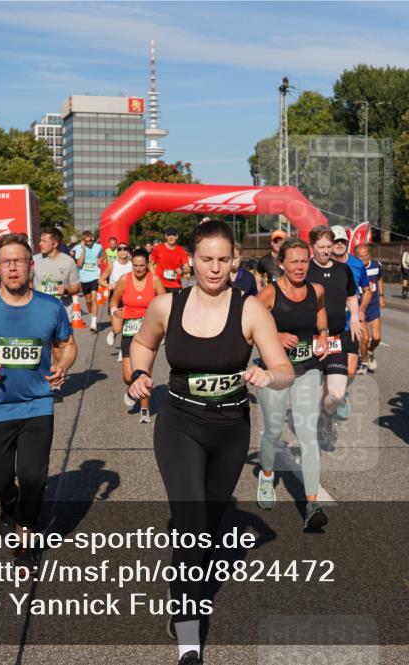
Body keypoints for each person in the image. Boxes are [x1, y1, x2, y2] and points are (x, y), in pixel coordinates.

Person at [127, 220, 293, 665]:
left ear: (235, 260)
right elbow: (142, 344)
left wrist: (267, 374)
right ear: (191, 260)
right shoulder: (166, 305)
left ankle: (186, 583)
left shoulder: (251, 309)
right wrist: (139, 374)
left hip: (230, 429)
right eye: (206, 259)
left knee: (210, 532)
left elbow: (284, 369)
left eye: (223, 259)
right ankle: (187, 632)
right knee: (191, 525)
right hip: (179, 423)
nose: (215, 268)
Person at [0, 233, 76, 568]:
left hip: (37, 405)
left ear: (30, 266)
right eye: (5, 262)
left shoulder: (50, 307)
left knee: (34, 477)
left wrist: (62, 366)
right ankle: (8, 502)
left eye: (18, 260)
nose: (12, 267)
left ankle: (25, 541)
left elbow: (68, 345)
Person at [255, 238, 330, 529]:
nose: (300, 266)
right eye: (294, 261)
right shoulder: (268, 295)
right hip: (274, 371)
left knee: (308, 433)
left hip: (308, 369)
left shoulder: (316, 290)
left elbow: (320, 312)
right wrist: (276, 336)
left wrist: (322, 335)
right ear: (282, 263)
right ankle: (268, 475)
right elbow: (247, 328)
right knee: (274, 430)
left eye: (304, 261)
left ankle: (312, 505)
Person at [306, 225, 364, 450]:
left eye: (329, 246)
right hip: (311, 339)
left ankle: (327, 417)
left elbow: (351, 296)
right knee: (316, 392)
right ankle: (313, 432)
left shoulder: (343, 270)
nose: (325, 251)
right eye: (321, 247)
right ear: (312, 247)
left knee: (337, 393)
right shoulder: (305, 269)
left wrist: (355, 318)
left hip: (337, 338)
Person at [111, 249, 166, 422]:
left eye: (142, 266)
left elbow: (165, 304)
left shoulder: (155, 280)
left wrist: (164, 330)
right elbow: (114, 299)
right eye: (135, 265)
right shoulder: (124, 280)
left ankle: (144, 409)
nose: (139, 269)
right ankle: (133, 389)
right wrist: (115, 311)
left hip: (149, 332)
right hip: (129, 330)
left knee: (144, 372)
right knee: (129, 376)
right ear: (131, 263)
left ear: (147, 264)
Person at [32, 227, 81, 403]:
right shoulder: (34, 260)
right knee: (42, 347)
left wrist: (66, 289)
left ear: (54, 243)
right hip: (39, 313)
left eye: (44, 241)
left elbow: (77, 286)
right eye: (40, 240)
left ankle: (56, 385)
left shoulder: (68, 262)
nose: (40, 244)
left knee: (59, 348)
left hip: (61, 312)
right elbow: (29, 282)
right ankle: (40, 380)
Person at [331, 225, 372, 379]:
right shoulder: (322, 263)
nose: (340, 244)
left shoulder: (357, 264)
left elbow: (367, 290)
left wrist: (361, 310)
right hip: (328, 325)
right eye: (336, 241)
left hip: (351, 325)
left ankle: (339, 396)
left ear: (347, 243)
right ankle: (333, 398)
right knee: (330, 371)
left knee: (350, 372)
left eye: (342, 241)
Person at [354, 243, 384, 373]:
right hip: (359, 307)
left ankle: (370, 351)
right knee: (365, 338)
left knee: (376, 338)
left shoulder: (377, 265)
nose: (363, 258)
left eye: (366, 255)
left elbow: (380, 279)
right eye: (360, 256)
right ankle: (364, 363)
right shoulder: (352, 267)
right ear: (356, 256)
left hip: (373, 306)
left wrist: (381, 296)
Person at [101, 242, 134, 346]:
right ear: (117, 252)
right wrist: (108, 286)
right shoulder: (112, 265)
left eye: (125, 248)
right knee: (117, 328)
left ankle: (124, 349)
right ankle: (114, 332)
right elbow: (101, 280)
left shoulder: (133, 265)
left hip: (129, 297)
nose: (123, 251)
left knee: (128, 326)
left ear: (128, 251)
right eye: (120, 249)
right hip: (115, 298)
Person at [74, 231, 104, 331]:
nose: (89, 243)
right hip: (84, 277)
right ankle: (92, 317)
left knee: (93, 298)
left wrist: (100, 260)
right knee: (87, 300)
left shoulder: (99, 247)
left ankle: (94, 323)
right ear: (83, 241)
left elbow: (102, 255)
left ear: (93, 238)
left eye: (90, 240)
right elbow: (79, 263)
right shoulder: (79, 248)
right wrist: (83, 250)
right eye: (86, 242)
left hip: (95, 276)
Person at [150, 227, 190, 296]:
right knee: (160, 306)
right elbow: (150, 264)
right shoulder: (158, 248)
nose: (171, 237)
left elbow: (188, 268)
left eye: (173, 235)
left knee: (175, 306)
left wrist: (183, 271)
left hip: (175, 286)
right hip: (160, 284)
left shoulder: (181, 250)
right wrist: (153, 276)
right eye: (169, 235)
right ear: (166, 236)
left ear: (176, 237)